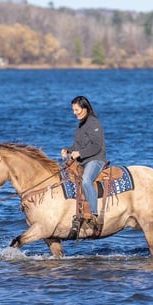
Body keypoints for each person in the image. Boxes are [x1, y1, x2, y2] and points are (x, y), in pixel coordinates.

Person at [61, 95, 106, 231]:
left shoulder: (93, 123)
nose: (74, 113)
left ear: (85, 108)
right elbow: (77, 146)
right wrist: (68, 150)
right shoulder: (80, 125)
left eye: (77, 110)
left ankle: (93, 214)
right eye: (73, 110)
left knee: (86, 180)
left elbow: (97, 146)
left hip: (96, 160)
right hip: (83, 161)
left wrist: (79, 153)